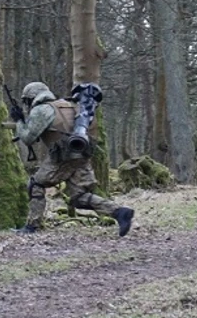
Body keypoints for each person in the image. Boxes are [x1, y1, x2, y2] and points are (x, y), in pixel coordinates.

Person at [13, 82, 134, 236]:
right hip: (82, 155)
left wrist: (18, 120)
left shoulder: (41, 110)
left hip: (62, 157)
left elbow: (28, 137)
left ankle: (32, 226)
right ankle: (119, 212)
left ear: (31, 98)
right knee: (79, 197)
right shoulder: (68, 105)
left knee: (36, 184)